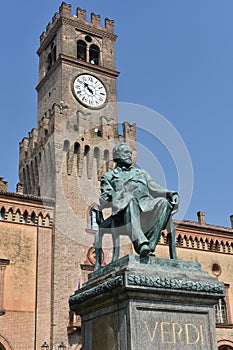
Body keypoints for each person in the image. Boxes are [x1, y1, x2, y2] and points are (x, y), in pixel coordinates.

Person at [99, 143, 179, 258]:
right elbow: (104, 198)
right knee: (130, 201)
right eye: (126, 153)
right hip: (123, 214)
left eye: (130, 153)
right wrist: (113, 196)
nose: (130, 155)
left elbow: (155, 188)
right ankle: (141, 244)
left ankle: (150, 246)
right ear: (117, 155)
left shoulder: (141, 173)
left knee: (164, 203)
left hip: (146, 209)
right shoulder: (109, 176)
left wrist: (171, 194)